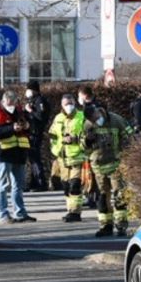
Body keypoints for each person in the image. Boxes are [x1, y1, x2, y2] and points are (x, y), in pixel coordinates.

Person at [0, 90, 36, 224]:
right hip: (3, 154)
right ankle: (3, 214)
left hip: (19, 153)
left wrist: (27, 126)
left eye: (13, 103)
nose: (11, 106)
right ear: (3, 101)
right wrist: (11, 128)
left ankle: (20, 213)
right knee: (2, 185)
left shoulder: (19, 111)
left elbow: (30, 127)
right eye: (9, 103)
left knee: (18, 185)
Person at [83, 105, 132, 237]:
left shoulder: (117, 120)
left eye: (96, 118)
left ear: (99, 111)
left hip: (116, 164)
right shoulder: (88, 125)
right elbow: (83, 147)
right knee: (102, 197)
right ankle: (106, 225)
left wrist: (126, 156)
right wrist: (87, 141)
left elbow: (130, 137)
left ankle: (121, 225)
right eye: (93, 120)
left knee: (119, 194)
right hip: (98, 166)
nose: (96, 121)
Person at [49, 94, 87, 222]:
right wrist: (56, 150)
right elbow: (53, 136)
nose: (69, 106)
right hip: (62, 158)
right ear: (62, 105)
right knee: (65, 185)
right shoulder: (58, 118)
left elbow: (88, 136)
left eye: (70, 103)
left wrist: (75, 140)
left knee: (74, 185)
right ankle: (70, 210)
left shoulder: (81, 117)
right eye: (66, 104)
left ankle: (75, 212)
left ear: (75, 103)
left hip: (77, 156)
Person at [24, 80, 50, 192]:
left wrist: (30, 111)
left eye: (28, 89)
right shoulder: (32, 100)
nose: (27, 92)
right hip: (31, 132)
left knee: (35, 158)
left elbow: (41, 117)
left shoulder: (40, 101)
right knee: (32, 158)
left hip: (36, 133)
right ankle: (34, 182)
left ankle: (41, 183)